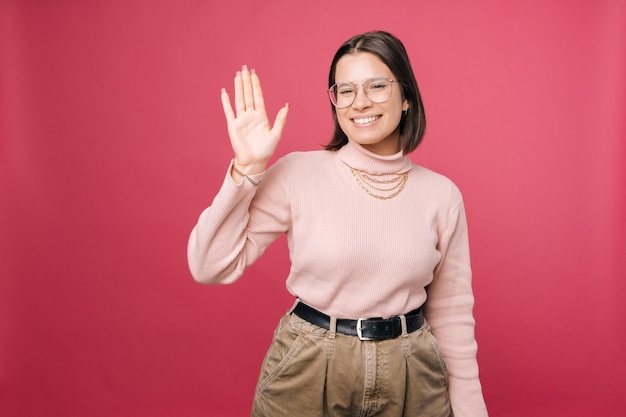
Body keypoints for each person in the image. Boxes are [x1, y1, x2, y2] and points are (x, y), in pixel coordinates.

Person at [187, 30, 488, 417]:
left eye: (377, 86)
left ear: (407, 96)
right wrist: (247, 168)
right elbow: (209, 265)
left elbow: (452, 313)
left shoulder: (441, 194)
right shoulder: (298, 173)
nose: (360, 102)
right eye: (345, 90)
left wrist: (471, 410)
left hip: (413, 371)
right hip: (310, 364)